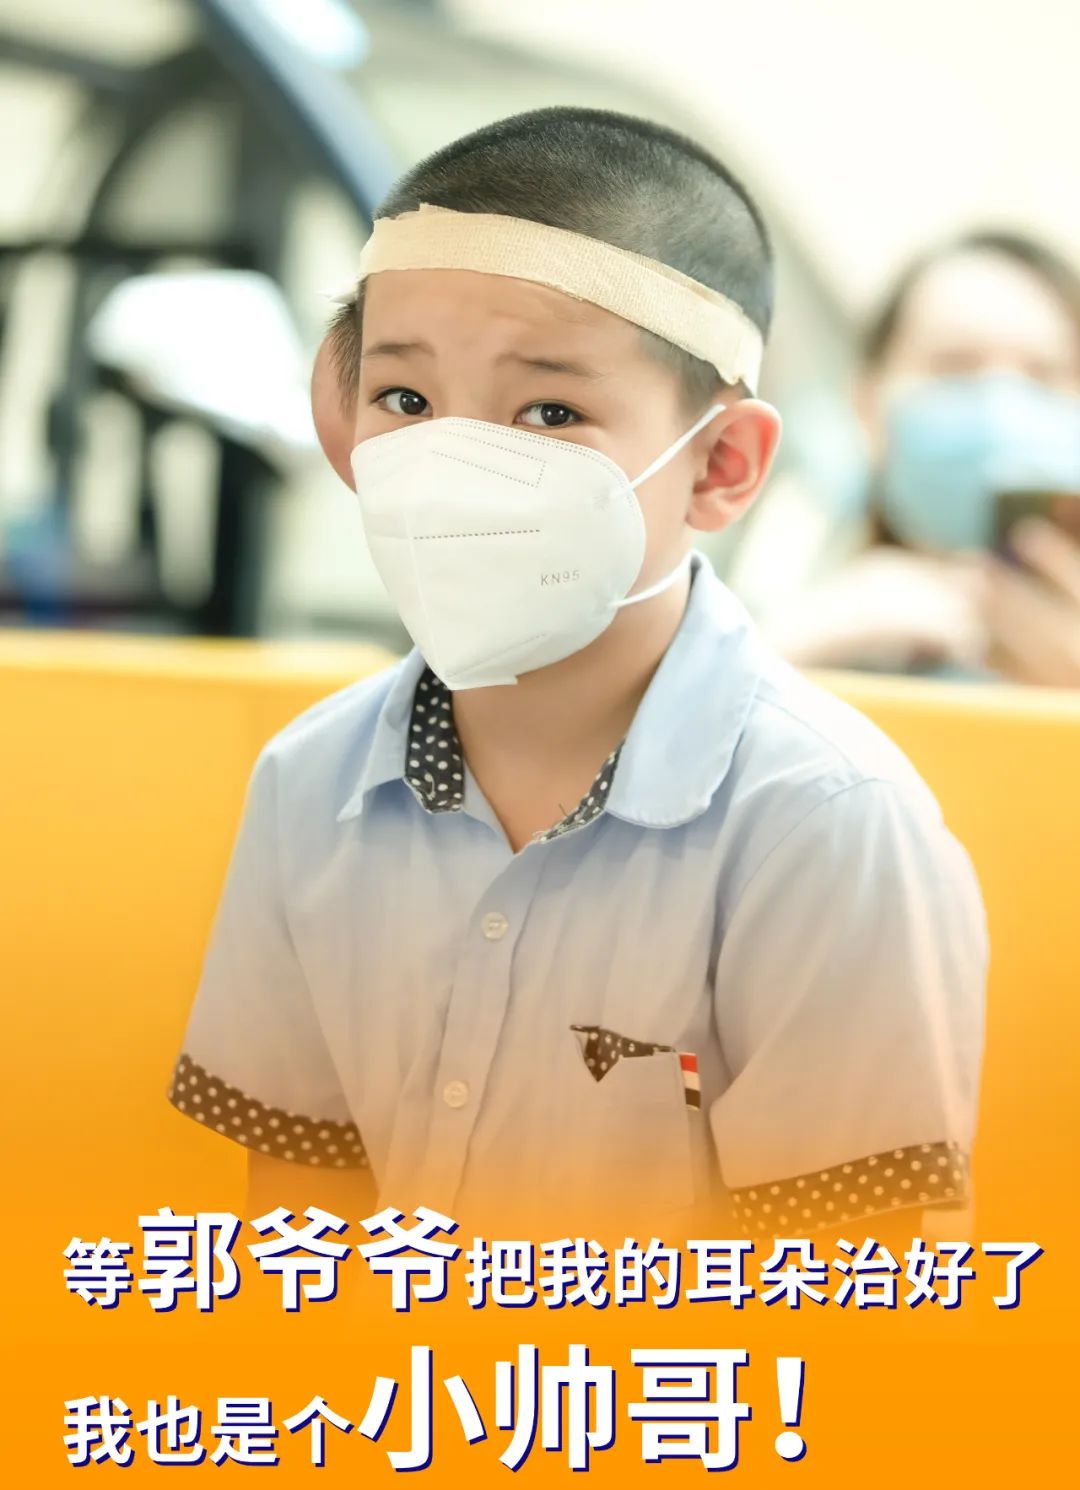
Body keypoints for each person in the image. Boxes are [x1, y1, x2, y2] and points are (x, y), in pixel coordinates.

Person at [167, 106, 987, 1234]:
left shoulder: (826, 827)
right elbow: (302, 1237)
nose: (451, 465)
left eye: (550, 411)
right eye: (406, 399)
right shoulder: (309, 785)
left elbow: (858, 1302)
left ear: (721, 464)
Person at [759, 231, 1080, 685]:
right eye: (955, 365)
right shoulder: (786, 614)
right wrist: (783, 652)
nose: (1000, 405)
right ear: (867, 407)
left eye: (1044, 374)